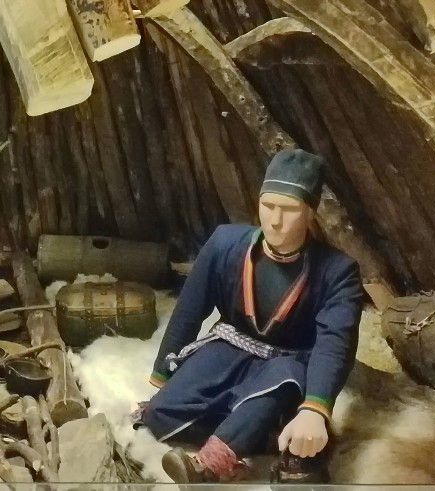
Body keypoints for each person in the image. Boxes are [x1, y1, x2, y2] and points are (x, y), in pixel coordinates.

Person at [134, 148, 364, 483]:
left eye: (289, 209)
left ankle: (211, 464)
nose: (275, 219)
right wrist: (162, 374)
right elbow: (189, 310)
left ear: (311, 212)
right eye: (268, 205)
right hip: (229, 347)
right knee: (157, 417)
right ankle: (261, 432)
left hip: (287, 366)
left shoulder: (337, 271)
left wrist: (316, 408)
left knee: (282, 381)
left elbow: (335, 343)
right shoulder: (225, 245)